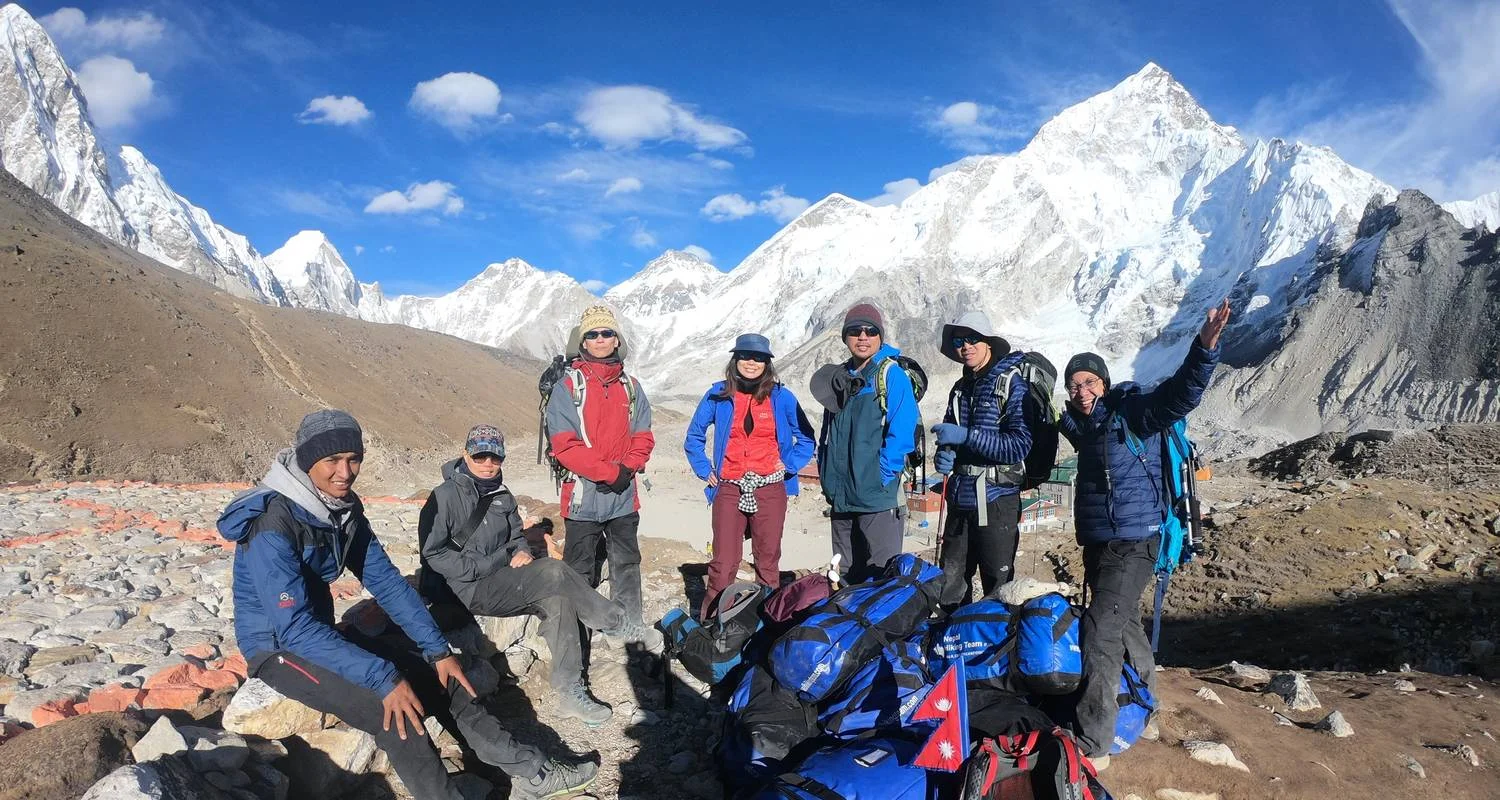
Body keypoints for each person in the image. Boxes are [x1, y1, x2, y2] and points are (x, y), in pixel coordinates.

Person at [218, 410, 595, 800]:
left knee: (444, 676)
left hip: (321, 635)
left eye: (353, 459)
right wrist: (383, 678)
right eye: (332, 460)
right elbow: (294, 627)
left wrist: (437, 651)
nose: (345, 472)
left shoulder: (342, 511)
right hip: (279, 648)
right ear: (307, 460)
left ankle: (531, 771)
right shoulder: (273, 522)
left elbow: (387, 583)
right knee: (394, 712)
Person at [1059, 299, 1230, 766]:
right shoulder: (1084, 427)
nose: (1081, 390)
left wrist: (1205, 347)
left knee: (1100, 631)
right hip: (1101, 542)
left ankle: (1093, 743)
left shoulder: (1132, 412)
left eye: (1089, 381)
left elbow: (1180, 395)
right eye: (1074, 384)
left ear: (1104, 383)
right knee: (1127, 622)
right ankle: (1145, 704)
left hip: (1135, 541)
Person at [420, 424, 626, 726]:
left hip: (503, 580)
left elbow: (516, 537)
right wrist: (483, 566)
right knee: (554, 571)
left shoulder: (503, 496)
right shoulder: (444, 497)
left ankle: (570, 692)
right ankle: (616, 623)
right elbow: (432, 553)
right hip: (468, 589)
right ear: (465, 455)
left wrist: (523, 551)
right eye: (480, 457)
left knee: (558, 601)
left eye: (495, 457)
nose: (488, 464)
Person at [683, 333, 817, 618]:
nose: (751, 362)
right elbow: (694, 436)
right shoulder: (718, 395)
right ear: (735, 360)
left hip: (770, 488)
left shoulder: (781, 397)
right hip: (729, 487)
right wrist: (704, 469)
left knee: (768, 560)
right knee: (724, 562)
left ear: (767, 363)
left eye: (759, 357)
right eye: (745, 356)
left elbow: (806, 438)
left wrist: (788, 465)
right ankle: (714, 624)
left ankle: (766, 622)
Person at [546, 304, 656, 642]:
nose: (600, 339)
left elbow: (643, 436)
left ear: (617, 340)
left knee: (627, 562)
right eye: (592, 334)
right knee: (579, 568)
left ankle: (629, 627)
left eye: (607, 333)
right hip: (584, 495)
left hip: (623, 496)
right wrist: (610, 472)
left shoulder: (631, 387)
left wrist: (628, 467)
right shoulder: (568, 388)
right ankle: (576, 632)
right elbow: (565, 445)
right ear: (583, 342)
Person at [930, 310, 1032, 609]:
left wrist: (967, 436)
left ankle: (996, 636)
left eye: (973, 339)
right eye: (959, 341)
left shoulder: (1011, 384)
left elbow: (1018, 446)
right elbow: (950, 440)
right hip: (960, 499)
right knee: (950, 584)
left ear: (988, 342)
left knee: (998, 587)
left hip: (997, 500)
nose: (966, 346)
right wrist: (944, 456)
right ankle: (951, 635)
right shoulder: (960, 389)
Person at [814, 302, 919, 583]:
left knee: (882, 577)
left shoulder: (891, 375)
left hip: (877, 499)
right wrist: (827, 475)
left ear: (880, 336)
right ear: (845, 337)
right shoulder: (839, 378)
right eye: (855, 331)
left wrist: (881, 476)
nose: (863, 337)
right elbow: (827, 434)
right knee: (843, 577)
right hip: (842, 498)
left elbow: (902, 431)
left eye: (871, 331)